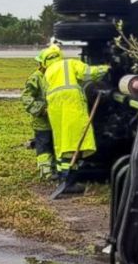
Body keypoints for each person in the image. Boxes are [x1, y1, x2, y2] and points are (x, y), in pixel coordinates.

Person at [40, 45, 110, 173]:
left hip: (54, 105)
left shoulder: (47, 72)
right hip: (71, 102)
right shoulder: (70, 63)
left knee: (61, 138)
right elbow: (88, 73)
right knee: (73, 137)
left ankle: (63, 174)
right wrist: (106, 68)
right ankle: (70, 176)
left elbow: (44, 91)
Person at [22, 49, 55, 179]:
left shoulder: (56, 76)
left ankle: (55, 169)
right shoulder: (35, 78)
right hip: (42, 121)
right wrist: (41, 109)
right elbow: (27, 98)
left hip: (56, 120)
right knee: (44, 145)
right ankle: (45, 172)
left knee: (54, 145)